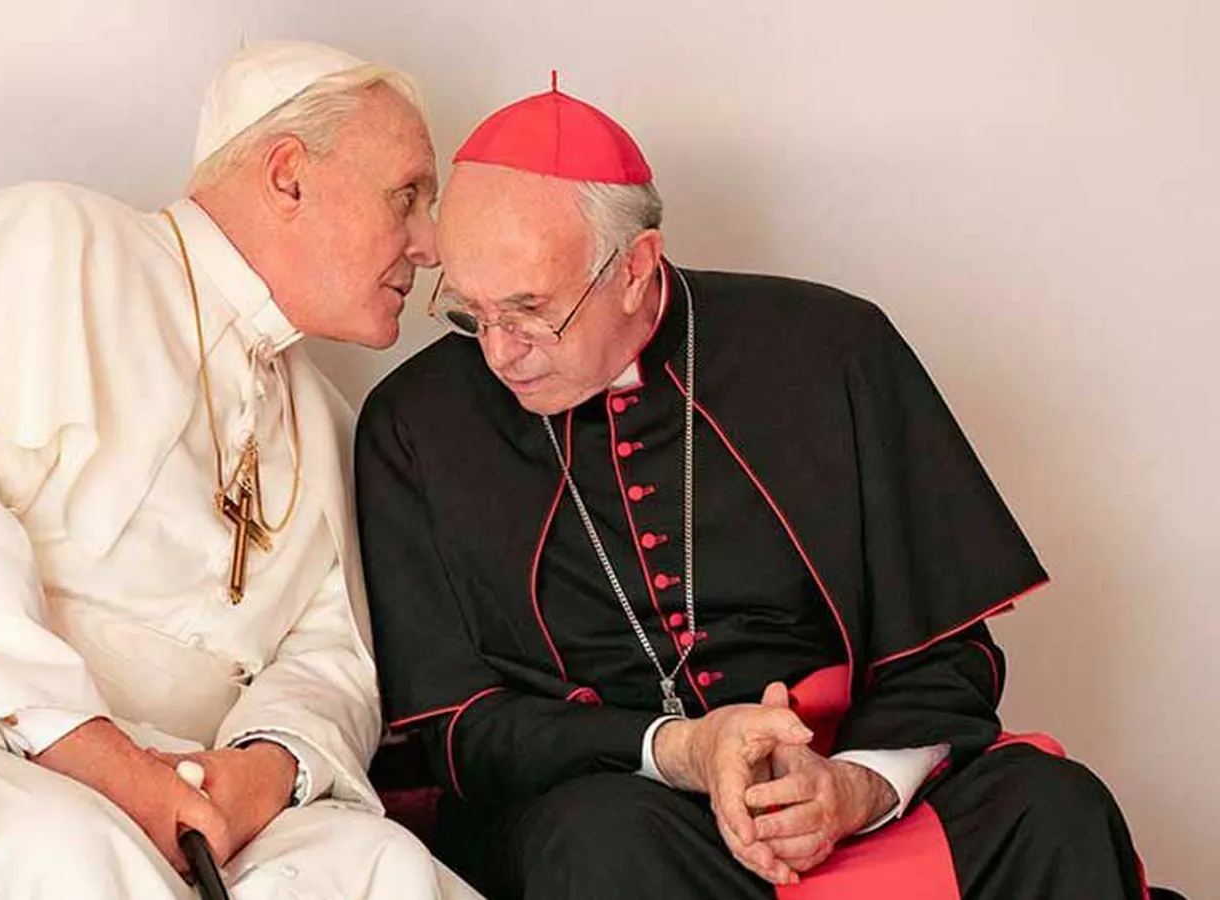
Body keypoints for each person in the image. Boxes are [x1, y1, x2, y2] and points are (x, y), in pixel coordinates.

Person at [0, 40, 479, 899]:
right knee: (67, 850)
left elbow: (331, 656)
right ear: (289, 176)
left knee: (382, 865)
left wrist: (265, 769)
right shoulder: (57, 241)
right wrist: (99, 757)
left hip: (181, 783)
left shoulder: (325, 418)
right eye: (408, 196)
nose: (429, 245)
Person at [356, 78, 1149, 899]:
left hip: (844, 772)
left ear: (635, 268)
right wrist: (680, 751)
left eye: (529, 311)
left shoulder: (831, 350)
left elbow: (946, 655)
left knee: (1055, 807)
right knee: (597, 845)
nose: (498, 353)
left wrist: (858, 787)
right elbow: (460, 726)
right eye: (469, 313)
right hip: (624, 806)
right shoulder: (415, 425)